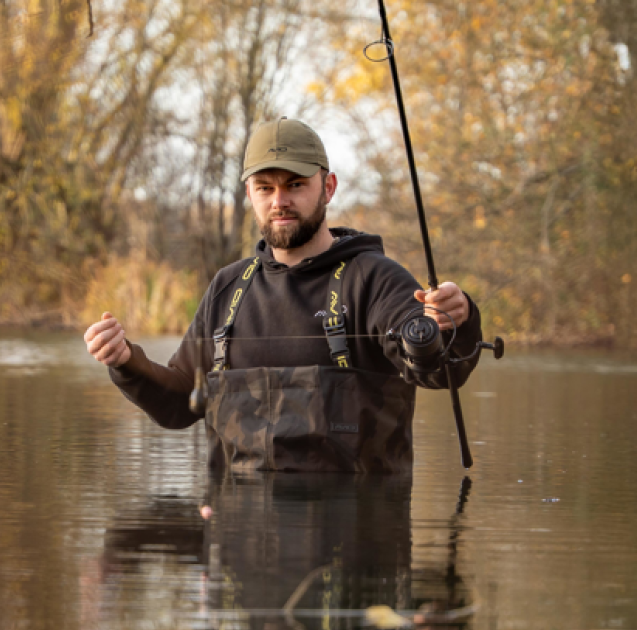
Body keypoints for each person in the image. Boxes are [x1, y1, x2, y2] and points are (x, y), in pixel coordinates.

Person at [84, 117, 484, 472]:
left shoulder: (375, 278)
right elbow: (177, 405)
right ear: (249, 195)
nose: (280, 201)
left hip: (357, 538)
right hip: (237, 539)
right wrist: (126, 363)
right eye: (265, 187)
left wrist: (450, 320)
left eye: (295, 185)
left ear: (327, 187)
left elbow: (436, 369)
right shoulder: (227, 288)